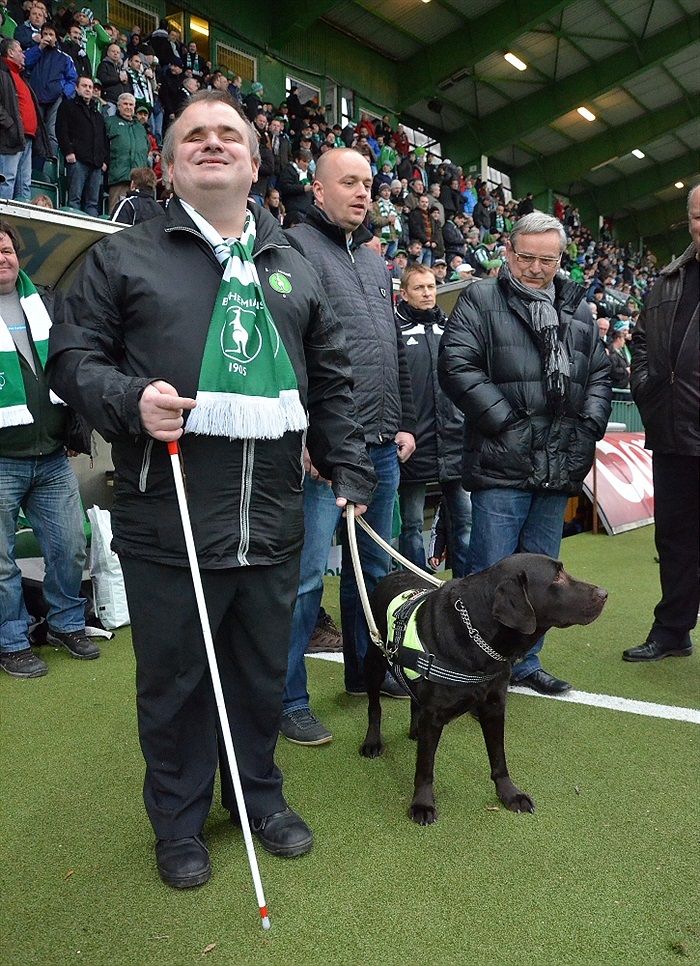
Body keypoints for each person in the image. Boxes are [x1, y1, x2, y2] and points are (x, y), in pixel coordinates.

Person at [46, 90, 376, 889]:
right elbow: (68, 360)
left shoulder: (291, 265)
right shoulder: (122, 257)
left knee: (262, 678)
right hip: (170, 517)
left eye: (230, 133)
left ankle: (258, 798)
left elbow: (330, 377)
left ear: (256, 164)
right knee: (175, 686)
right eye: (194, 135)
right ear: (167, 164)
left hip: (272, 521)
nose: (213, 143)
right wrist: (131, 400)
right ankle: (180, 820)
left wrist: (352, 467)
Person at [438, 212, 611, 695]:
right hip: (502, 460)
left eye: (547, 260)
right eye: (527, 257)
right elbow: (456, 365)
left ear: (561, 260)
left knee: (545, 577)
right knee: (490, 574)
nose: (536, 268)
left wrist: (590, 425)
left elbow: (599, 373)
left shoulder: (577, 309)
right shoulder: (480, 298)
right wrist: (508, 424)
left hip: (559, 462)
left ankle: (526, 663)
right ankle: (474, 668)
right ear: (509, 253)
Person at [278, 147, 416, 747]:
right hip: (323, 450)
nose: (363, 193)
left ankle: (369, 673)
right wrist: (310, 433)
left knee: (376, 572)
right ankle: (287, 698)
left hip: (381, 444)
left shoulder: (375, 263)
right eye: (350, 182)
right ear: (318, 187)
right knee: (306, 576)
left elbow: (390, 348)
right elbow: (288, 348)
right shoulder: (290, 248)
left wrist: (402, 421)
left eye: (369, 183)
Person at [0, 220, 98, 679]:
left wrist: (76, 427)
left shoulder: (47, 302)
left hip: (52, 456)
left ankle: (65, 624)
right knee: (1, 562)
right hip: (2, 461)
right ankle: (12, 641)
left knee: (70, 547)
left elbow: (72, 363)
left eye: (6, 250)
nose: (2, 258)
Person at [623, 185, 699, 662]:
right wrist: (647, 387)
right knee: (673, 538)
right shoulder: (669, 278)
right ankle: (672, 629)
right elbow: (642, 340)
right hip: (673, 433)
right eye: (697, 216)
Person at [396, 262, 470, 576]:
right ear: (404, 293)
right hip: (414, 442)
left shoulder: (451, 328)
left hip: (454, 440)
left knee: (465, 521)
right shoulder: (393, 330)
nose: (427, 294)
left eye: (431, 287)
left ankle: (468, 588)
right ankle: (417, 590)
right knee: (412, 523)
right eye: (419, 288)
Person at [0, 37, 50, 199]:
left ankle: (21, 224)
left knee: (24, 183)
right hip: (10, 137)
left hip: (27, 137)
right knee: (8, 179)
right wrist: (11, 126)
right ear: (10, 52)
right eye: (21, 51)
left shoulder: (20, 76)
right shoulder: (3, 73)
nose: (24, 55)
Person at [56, 74, 109, 216]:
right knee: (75, 199)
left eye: (90, 87)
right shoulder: (67, 106)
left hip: (96, 164)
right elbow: (61, 130)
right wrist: (68, 151)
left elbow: (104, 139)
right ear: (76, 88)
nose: (88, 89)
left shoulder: (97, 115)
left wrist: (104, 161)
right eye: (84, 86)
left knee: (93, 203)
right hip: (77, 160)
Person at [104, 92, 148, 213]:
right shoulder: (110, 122)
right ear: (118, 106)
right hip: (119, 176)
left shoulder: (140, 127)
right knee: (117, 211)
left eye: (131, 105)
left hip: (138, 179)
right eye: (125, 104)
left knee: (136, 214)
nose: (128, 107)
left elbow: (146, 148)